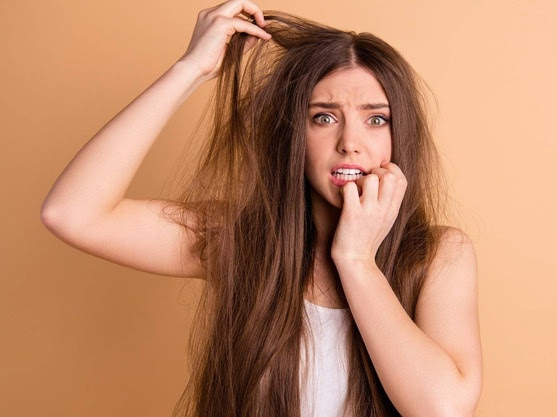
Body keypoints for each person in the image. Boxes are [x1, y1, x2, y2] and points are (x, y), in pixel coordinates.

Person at [40, 1, 482, 416]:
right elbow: (72, 214)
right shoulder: (243, 237)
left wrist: (356, 260)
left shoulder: (439, 254)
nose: (350, 142)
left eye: (376, 119)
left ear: (400, 134)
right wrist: (191, 69)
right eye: (323, 117)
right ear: (294, 135)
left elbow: (441, 408)